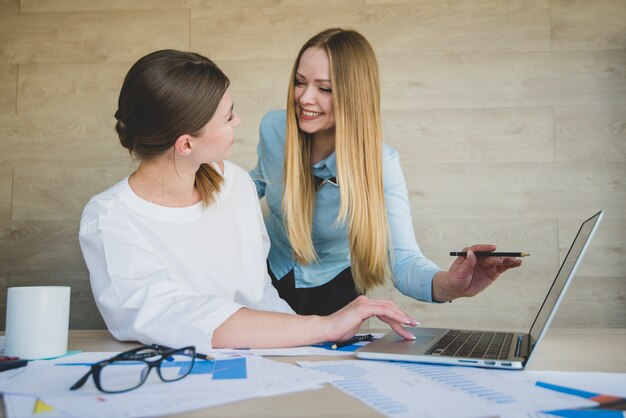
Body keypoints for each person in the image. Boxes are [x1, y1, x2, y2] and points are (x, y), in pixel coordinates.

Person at [78, 49, 418, 353]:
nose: (238, 121)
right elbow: (169, 315)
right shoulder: (110, 217)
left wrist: (317, 344)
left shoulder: (235, 185)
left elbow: (261, 295)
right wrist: (322, 326)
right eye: (228, 117)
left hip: (261, 361)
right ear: (186, 145)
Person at [251, 28, 523, 316]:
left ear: (353, 95)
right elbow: (258, 180)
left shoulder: (382, 165)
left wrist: (448, 284)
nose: (305, 98)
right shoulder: (274, 128)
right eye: (299, 82)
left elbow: (404, 259)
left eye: (325, 88)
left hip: (332, 289)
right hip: (264, 270)